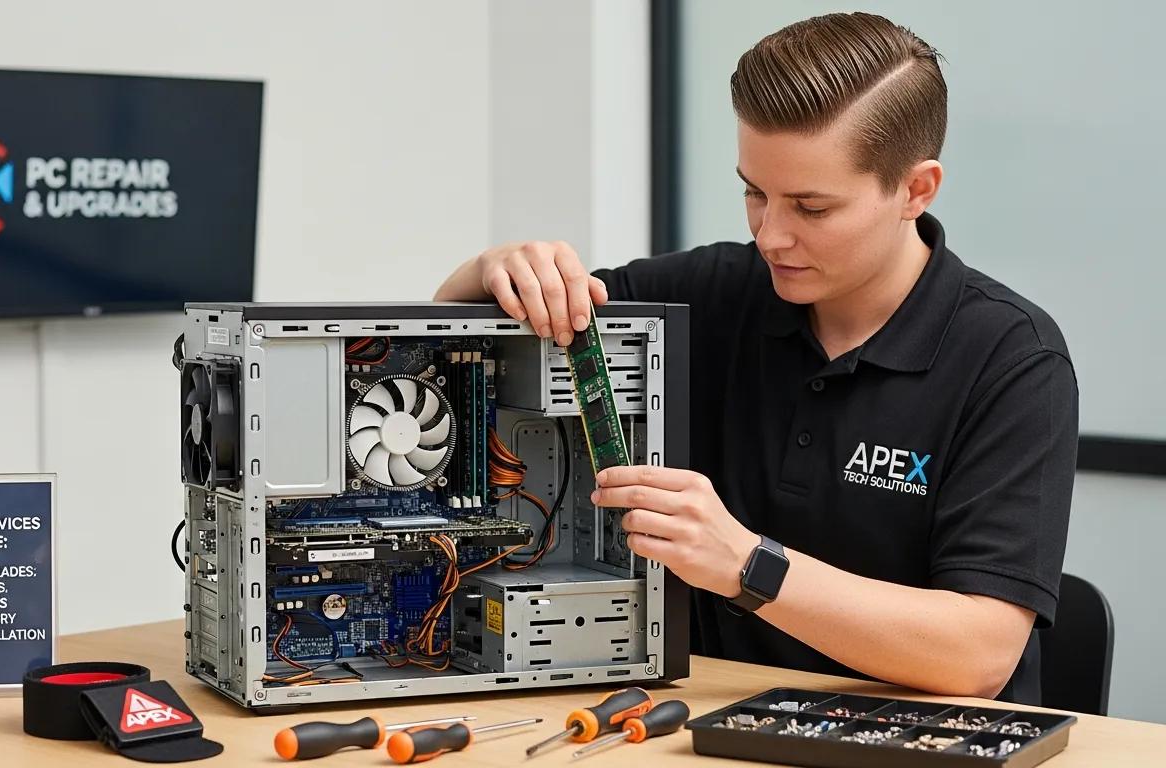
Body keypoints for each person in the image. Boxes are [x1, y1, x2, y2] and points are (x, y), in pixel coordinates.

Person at [434, 12, 1076, 704]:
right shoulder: (706, 294)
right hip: (696, 724)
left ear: (916, 190)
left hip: (915, 738)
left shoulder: (1012, 360)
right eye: (754, 192)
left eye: (811, 208)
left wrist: (745, 564)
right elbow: (442, 350)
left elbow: (978, 655)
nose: (771, 236)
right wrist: (491, 269)